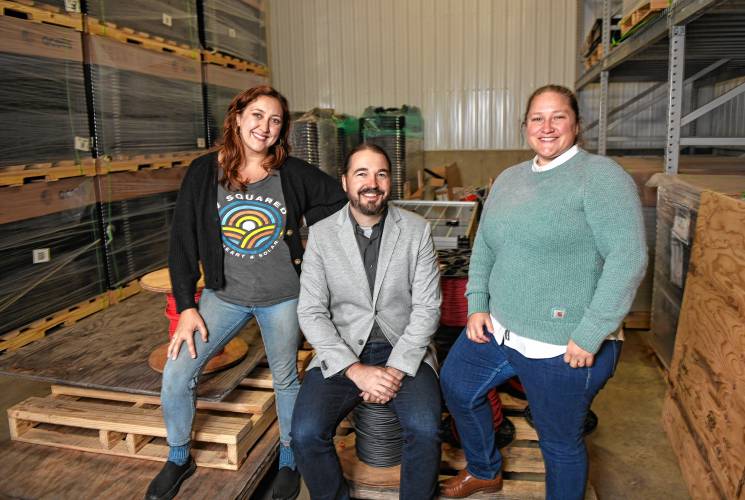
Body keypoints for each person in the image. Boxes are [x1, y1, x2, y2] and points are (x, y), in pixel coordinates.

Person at [439, 84, 648, 499]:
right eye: (537, 118)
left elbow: (629, 259)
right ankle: (484, 469)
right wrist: (478, 303)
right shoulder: (510, 179)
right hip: (498, 329)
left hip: (562, 345)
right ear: (525, 127)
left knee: (559, 443)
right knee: (457, 387)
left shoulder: (601, 178)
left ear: (576, 123)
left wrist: (591, 333)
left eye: (558, 117)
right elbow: (485, 244)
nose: (547, 127)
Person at [145, 85, 347, 500]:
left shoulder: (291, 172)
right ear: (237, 117)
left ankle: (290, 463)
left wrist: (313, 246)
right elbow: (181, 242)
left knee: (286, 379)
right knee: (178, 370)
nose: (265, 127)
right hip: (223, 296)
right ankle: (179, 456)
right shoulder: (204, 172)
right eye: (257, 115)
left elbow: (336, 201)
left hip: (284, 298)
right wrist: (186, 306)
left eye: (275, 120)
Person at [291, 144, 443, 500]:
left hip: (404, 347)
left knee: (426, 429)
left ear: (391, 182)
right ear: (345, 182)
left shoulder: (417, 230)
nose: (371, 183)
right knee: (305, 433)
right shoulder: (322, 234)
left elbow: (427, 308)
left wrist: (396, 369)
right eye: (361, 173)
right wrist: (355, 370)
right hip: (343, 350)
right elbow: (310, 311)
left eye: (381, 174)